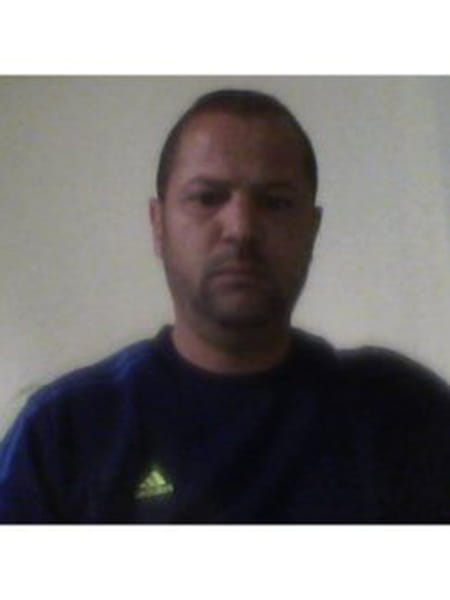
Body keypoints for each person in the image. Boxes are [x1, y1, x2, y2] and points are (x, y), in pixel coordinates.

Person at [1, 89, 449, 524]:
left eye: (275, 202)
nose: (241, 228)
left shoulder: (403, 413)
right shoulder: (64, 434)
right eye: (207, 197)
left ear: (311, 230)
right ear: (158, 225)